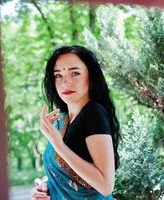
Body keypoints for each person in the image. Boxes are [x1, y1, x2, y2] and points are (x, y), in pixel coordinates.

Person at [31, 45, 120, 200]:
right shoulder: (62, 117)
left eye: (75, 73)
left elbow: (106, 186)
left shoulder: (94, 113)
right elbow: (65, 173)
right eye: (58, 75)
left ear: (90, 77)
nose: (65, 82)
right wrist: (45, 187)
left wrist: (57, 143)